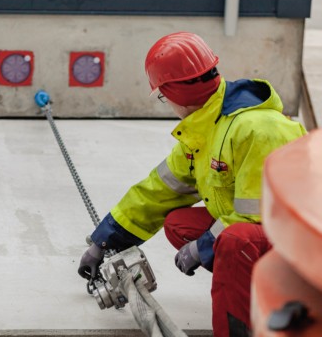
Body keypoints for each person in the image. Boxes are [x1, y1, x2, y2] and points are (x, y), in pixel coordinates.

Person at [78, 32, 306, 336]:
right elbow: (158, 191)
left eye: (163, 94)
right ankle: (248, 288)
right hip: (272, 236)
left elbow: (264, 215)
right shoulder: (205, 128)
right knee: (178, 223)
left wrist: (205, 246)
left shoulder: (259, 129)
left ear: (175, 92)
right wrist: (104, 241)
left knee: (234, 242)